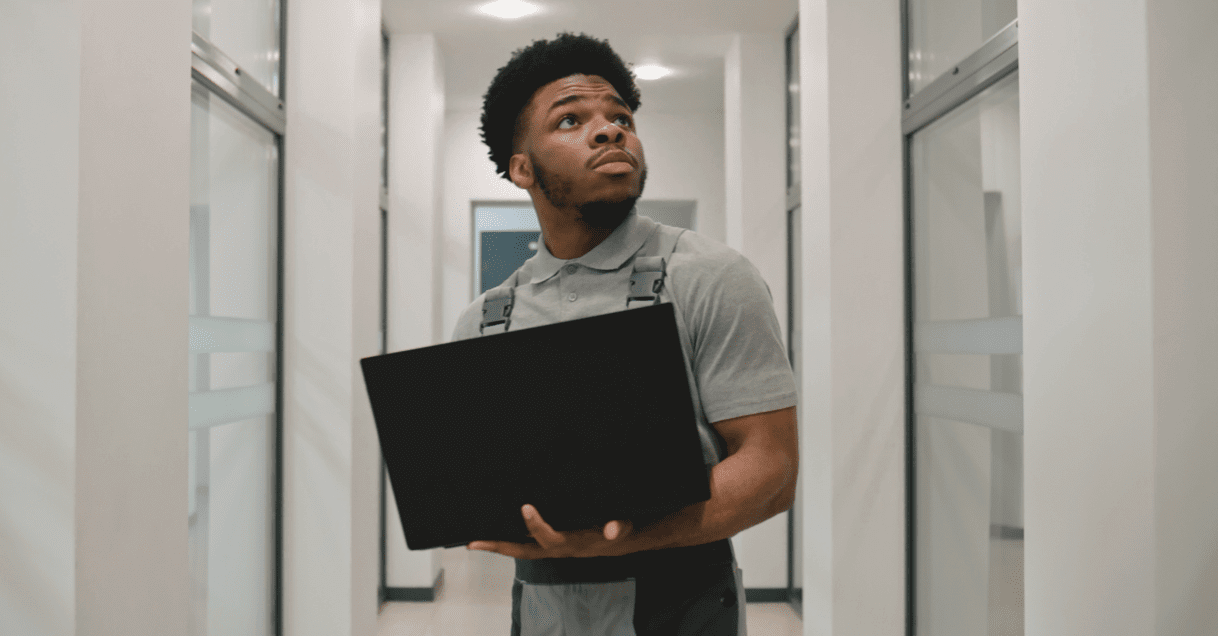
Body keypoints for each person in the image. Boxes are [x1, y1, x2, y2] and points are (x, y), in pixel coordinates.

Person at [450, 32, 799, 636]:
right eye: (570, 120)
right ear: (521, 168)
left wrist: (616, 539)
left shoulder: (709, 276)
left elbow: (771, 470)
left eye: (621, 117)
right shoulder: (487, 320)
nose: (610, 131)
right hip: (542, 613)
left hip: (685, 602)